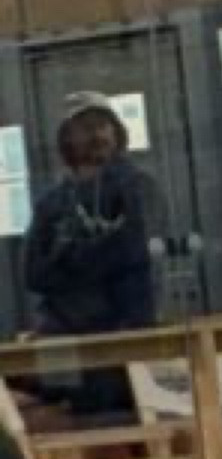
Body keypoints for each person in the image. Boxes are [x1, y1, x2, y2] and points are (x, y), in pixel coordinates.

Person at [21, 91, 161, 418]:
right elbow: (33, 274)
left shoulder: (139, 188)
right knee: (61, 419)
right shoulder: (52, 203)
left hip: (126, 338)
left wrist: (70, 258)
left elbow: (134, 253)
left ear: (117, 131)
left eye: (103, 124)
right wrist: (94, 256)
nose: (97, 134)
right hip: (64, 339)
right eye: (85, 127)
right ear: (67, 139)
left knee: (133, 422)